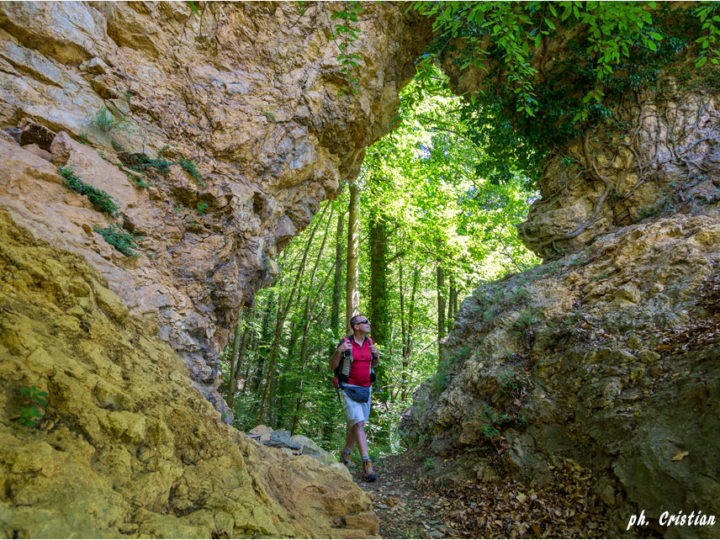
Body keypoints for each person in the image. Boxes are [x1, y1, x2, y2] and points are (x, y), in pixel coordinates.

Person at [329, 314, 379, 482]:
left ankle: (346, 455)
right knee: (358, 423)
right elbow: (332, 366)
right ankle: (367, 463)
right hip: (348, 388)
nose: (368, 323)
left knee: (358, 423)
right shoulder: (346, 344)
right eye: (365, 322)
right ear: (356, 327)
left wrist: (376, 355)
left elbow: (373, 364)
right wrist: (338, 352)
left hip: (366, 389)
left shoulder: (369, 343)